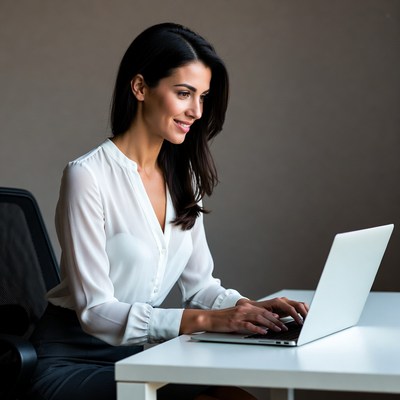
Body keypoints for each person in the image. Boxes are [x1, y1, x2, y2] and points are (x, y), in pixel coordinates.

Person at [27, 22, 308, 400]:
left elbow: (200, 286)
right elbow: (95, 312)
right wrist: (211, 321)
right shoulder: (87, 176)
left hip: (142, 355)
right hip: (71, 361)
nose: (196, 111)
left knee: (236, 397)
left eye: (203, 97)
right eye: (184, 93)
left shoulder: (183, 175)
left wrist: (248, 309)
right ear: (140, 87)